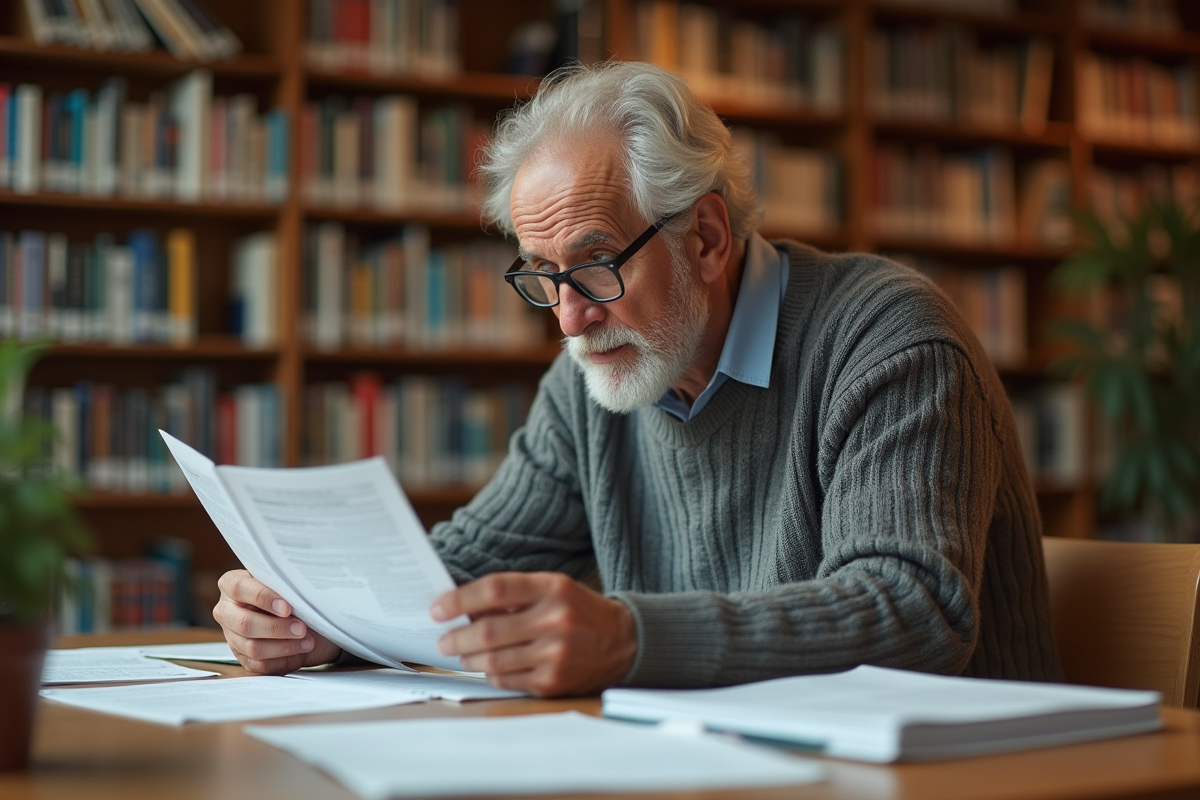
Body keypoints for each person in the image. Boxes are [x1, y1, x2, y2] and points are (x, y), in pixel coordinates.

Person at [213, 61, 1061, 697]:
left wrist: (630, 639)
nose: (570, 318)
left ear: (706, 238)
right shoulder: (593, 381)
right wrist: (318, 619)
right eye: (542, 275)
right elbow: (462, 574)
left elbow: (912, 612)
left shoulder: (888, 339)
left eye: (594, 265)